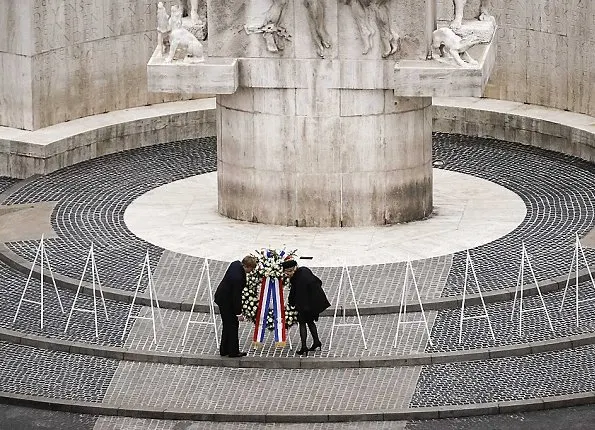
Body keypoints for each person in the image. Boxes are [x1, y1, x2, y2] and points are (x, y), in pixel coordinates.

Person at [283, 260, 331, 357]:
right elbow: (318, 281)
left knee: (302, 323)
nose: (286, 275)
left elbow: (295, 293)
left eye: (287, 272)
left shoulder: (296, 279)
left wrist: (291, 303)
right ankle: (316, 341)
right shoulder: (304, 270)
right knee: (310, 322)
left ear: (292, 270)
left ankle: (304, 347)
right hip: (314, 302)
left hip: (305, 305)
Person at [214, 255, 257, 357]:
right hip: (226, 301)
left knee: (227, 324)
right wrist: (238, 313)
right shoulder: (237, 278)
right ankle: (233, 351)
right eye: (251, 269)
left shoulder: (236, 264)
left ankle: (224, 349)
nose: (251, 271)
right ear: (247, 266)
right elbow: (236, 297)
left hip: (222, 297)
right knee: (233, 325)